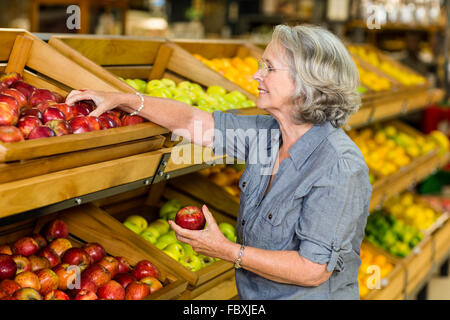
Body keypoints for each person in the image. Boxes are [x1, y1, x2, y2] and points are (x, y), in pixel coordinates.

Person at [66, 24, 372, 300]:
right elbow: (194, 120)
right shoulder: (269, 134)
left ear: (306, 84)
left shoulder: (339, 167)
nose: (256, 75)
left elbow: (312, 269)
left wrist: (226, 251)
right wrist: (128, 100)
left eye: (269, 68)